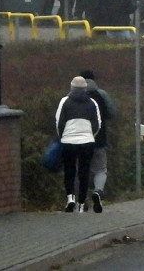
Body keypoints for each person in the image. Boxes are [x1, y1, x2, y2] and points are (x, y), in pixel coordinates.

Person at [55, 76, 101, 212]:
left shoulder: (64, 101)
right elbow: (97, 124)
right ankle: (82, 203)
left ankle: (70, 199)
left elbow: (59, 123)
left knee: (69, 171)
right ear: (85, 88)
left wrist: (62, 137)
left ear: (71, 88)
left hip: (68, 142)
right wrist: (90, 136)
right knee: (84, 172)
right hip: (87, 142)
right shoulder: (92, 103)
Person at [79, 70, 117, 213]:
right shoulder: (101, 94)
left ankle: (83, 200)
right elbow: (112, 113)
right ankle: (98, 191)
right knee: (100, 169)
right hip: (99, 138)